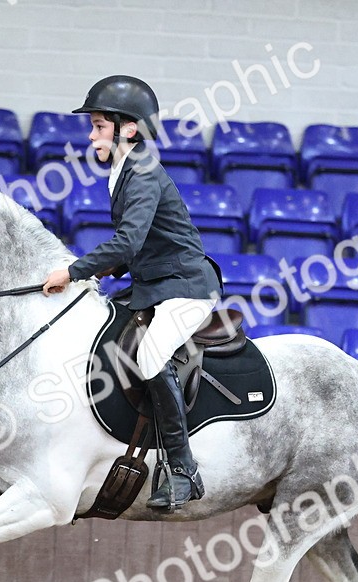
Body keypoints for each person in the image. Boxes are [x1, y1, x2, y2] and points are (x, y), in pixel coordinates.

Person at [42, 75, 220, 511]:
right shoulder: (124, 171)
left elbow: (129, 242)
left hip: (186, 287)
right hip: (154, 284)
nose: (90, 135)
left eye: (99, 126)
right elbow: (138, 244)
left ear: (129, 128)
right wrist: (101, 274)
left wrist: (74, 271)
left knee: (150, 357)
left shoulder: (141, 172)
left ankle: (183, 471)